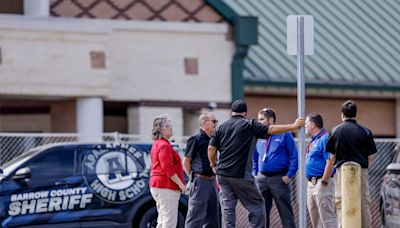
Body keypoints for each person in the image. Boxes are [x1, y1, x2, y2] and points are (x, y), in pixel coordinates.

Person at [208, 99, 305, 228]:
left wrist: (213, 165)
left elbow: (211, 149)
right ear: (245, 113)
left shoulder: (221, 127)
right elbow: (271, 129)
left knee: (228, 208)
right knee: (257, 204)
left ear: (232, 112)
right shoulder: (249, 125)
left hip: (223, 175)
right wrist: (293, 126)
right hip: (242, 175)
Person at [326, 100, 377, 228]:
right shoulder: (365, 131)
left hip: (341, 172)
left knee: (341, 202)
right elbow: (371, 156)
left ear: (342, 114)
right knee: (363, 203)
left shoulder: (334, 131)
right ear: (355, 114)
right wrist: (364, 169)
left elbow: (332, 158)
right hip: (361, 171)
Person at [253, 108, 297, 228]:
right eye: (258, 119)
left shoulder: (285, 134)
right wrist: (255, 174)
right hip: (262, 179)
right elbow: (254, 157)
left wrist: (289, 175)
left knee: (285, 213)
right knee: (261, 213)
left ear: (271, 120)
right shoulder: (259, 136)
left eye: (261, 119)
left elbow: (294, 156)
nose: (259, 122)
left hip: (279, 179)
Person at [149, 114, 187, 228]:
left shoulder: (157, 144)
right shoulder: (164, 145)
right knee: (169, 222)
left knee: (162, 220)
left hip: (158, 185)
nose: (171, 128)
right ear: (160, 129)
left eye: (170, 125)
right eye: (167, 126)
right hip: (166, 185)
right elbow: (168, 169)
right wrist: (181, 185)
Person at [183, 112, 219, 228]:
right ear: (204, 123)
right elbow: (186, 161)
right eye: (214, 121)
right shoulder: (195, 139)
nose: (216, 124)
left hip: (212, 181)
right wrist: (192, 179)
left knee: (213, 218)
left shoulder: (213, 139)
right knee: (195, 217)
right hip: (200, 182)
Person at [305, 112, 337, 228]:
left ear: (312, 124)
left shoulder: (325, 138)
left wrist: (324, 182)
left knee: (327, 218)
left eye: (306, 123)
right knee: (316, 220)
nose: (305, 126)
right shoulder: (314, 140)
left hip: (322, 183)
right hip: (311, 183)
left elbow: (330, 162)